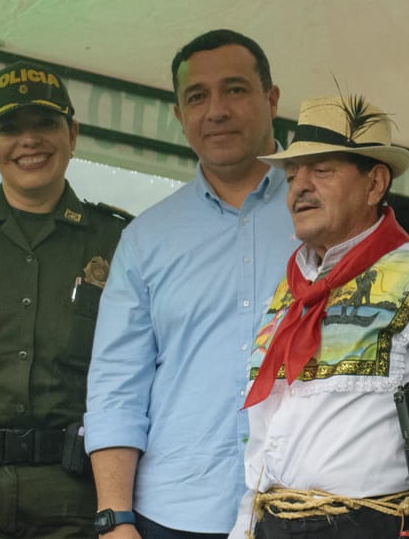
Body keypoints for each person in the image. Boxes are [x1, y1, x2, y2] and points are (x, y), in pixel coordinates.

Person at [84, 30, 297, 538]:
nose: (216, 110)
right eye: (196, 97)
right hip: (175, 512)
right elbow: (117, 385)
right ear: (179, 116)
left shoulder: (330, 210)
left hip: (305, 503)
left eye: (235, 90)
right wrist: (115, 519)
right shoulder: (146, 238)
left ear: (272, 99)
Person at [229, 95, 409, 539]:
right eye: (291, 176)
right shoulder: (292, 288)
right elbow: (266, 423)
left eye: (321, 170)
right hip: (274, 522)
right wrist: (244, 525)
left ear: (375, 183)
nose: (299, 187)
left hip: (372, 525)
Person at [0, 61, 130, 539]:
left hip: (72, 497)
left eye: (45, 123)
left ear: (73, 134)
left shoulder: (122, 242)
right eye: (9, 128)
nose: (29, 141)